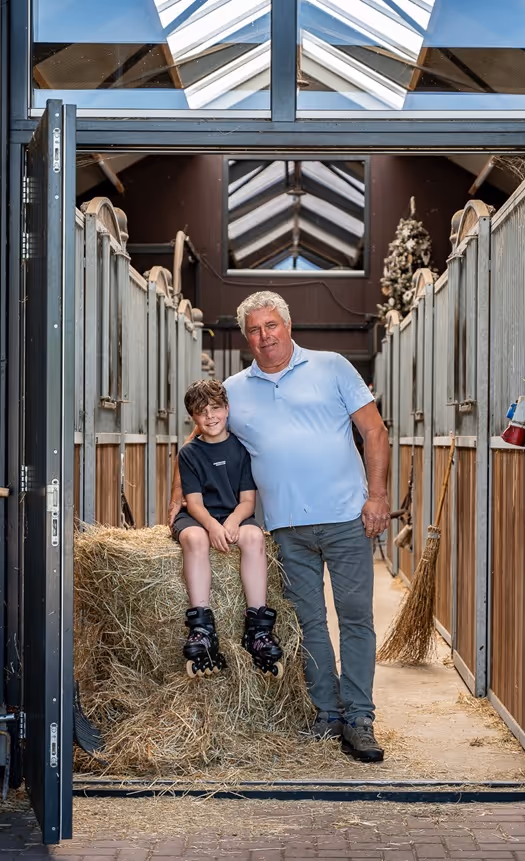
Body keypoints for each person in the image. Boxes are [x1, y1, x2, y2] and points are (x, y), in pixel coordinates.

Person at [169, 292, 390, 762]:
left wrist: (378, 496)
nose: (264, 336)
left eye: (271, 325)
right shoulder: (234, 390)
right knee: (309, 624)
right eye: (254, 329)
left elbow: (374, 430)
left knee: (355, 618)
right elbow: (195, 440)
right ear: (245, 336)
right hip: (286, 527)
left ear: (288, 326)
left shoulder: (332, 367)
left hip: (346, 516)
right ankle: (327, 713)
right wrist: (176, 503)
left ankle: (359, 719)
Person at [172, 379, 283, 679]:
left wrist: (232, 522)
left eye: (216, 408)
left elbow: (248, 502)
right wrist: (211, 527)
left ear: (227, 409)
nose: (210, 417)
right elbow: (194, 504)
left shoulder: (241, 450)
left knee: (253, 536)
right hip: (199, 516)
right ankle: (201, 627)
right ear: (193, 417)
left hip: (234, 512)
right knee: (195, 539)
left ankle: (258, 629)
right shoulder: (189, 453)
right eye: (201, 411)